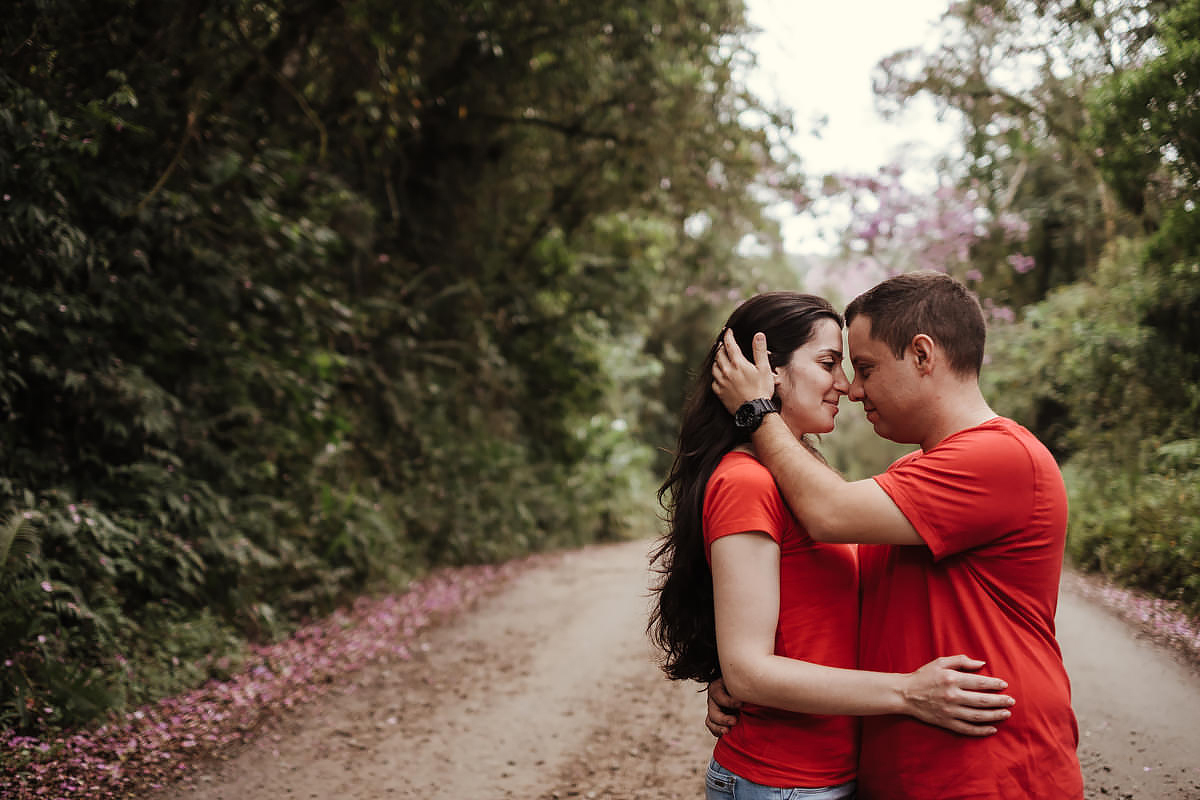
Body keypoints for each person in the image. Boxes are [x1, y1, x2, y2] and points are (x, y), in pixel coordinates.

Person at [706, 272, 1084, 800]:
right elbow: (833, 604)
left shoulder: (1001, 457)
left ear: (923, 356)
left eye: (864, 368)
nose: (853, 389)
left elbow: (827, 512)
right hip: (903, 772)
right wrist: (750, 677)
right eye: (838, 367)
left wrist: (756, 411)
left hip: (989, 770)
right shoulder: (913, 472)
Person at [648, 291, 1015, 800]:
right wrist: (908, 693)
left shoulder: (803, 475)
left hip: (826, 774)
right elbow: (749, 669)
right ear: (766, 370)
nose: (845, 385)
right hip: (784, 780)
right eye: (828, 363)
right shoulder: (745, 481)